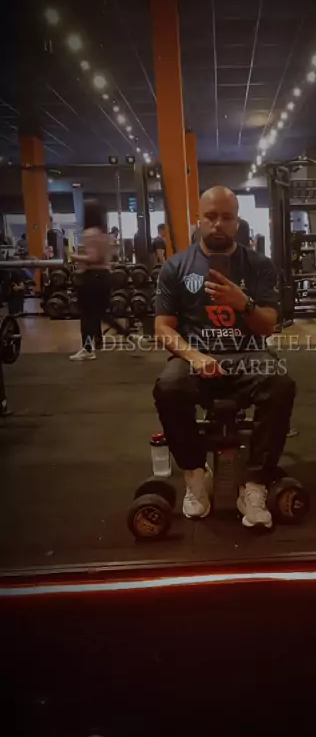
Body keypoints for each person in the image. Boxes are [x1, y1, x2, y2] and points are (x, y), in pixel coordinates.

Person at [153, 185, 296, 530]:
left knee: (281, 383)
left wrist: (243, 303)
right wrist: (194, 356)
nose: (218, 224)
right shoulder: (175, 267)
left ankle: (255, 484)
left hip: (248, 355)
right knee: (168, 387)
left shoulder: (259, 266)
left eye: (227, 217)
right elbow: (163, 328)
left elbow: (268, 326)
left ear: (237, 222)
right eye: (211, 216)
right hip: (198, 357)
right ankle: (194, 473)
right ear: (199, 220)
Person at [69, 199, 129, 361]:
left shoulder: (90, 233)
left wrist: (73, 257)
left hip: (93, 276)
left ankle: (88, 349)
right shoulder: (105, 235)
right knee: (100, 313)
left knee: (87, 314)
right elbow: (107, 255)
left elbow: (93, 257)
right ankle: (127, 334)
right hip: (105, 276)